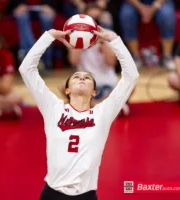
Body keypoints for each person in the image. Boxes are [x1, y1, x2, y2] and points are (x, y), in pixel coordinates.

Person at [19, 26, 139, 199]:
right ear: (67, 90)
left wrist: (113, 39)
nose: (82, 78)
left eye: (87, 78)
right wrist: (50, 36)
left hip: (86, 195)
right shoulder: (53, 108)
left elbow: (131, 76)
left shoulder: (103, 113)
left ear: (94, 92)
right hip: (52, 194)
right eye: (76, 77)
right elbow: (27, 69)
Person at [119, 0, 176, 69]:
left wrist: (154, 7)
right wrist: (140, 7)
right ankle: (136, 57)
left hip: (160, 1)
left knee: (167, 16)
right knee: (127, 15)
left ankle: (167, 56)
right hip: (134, 2)